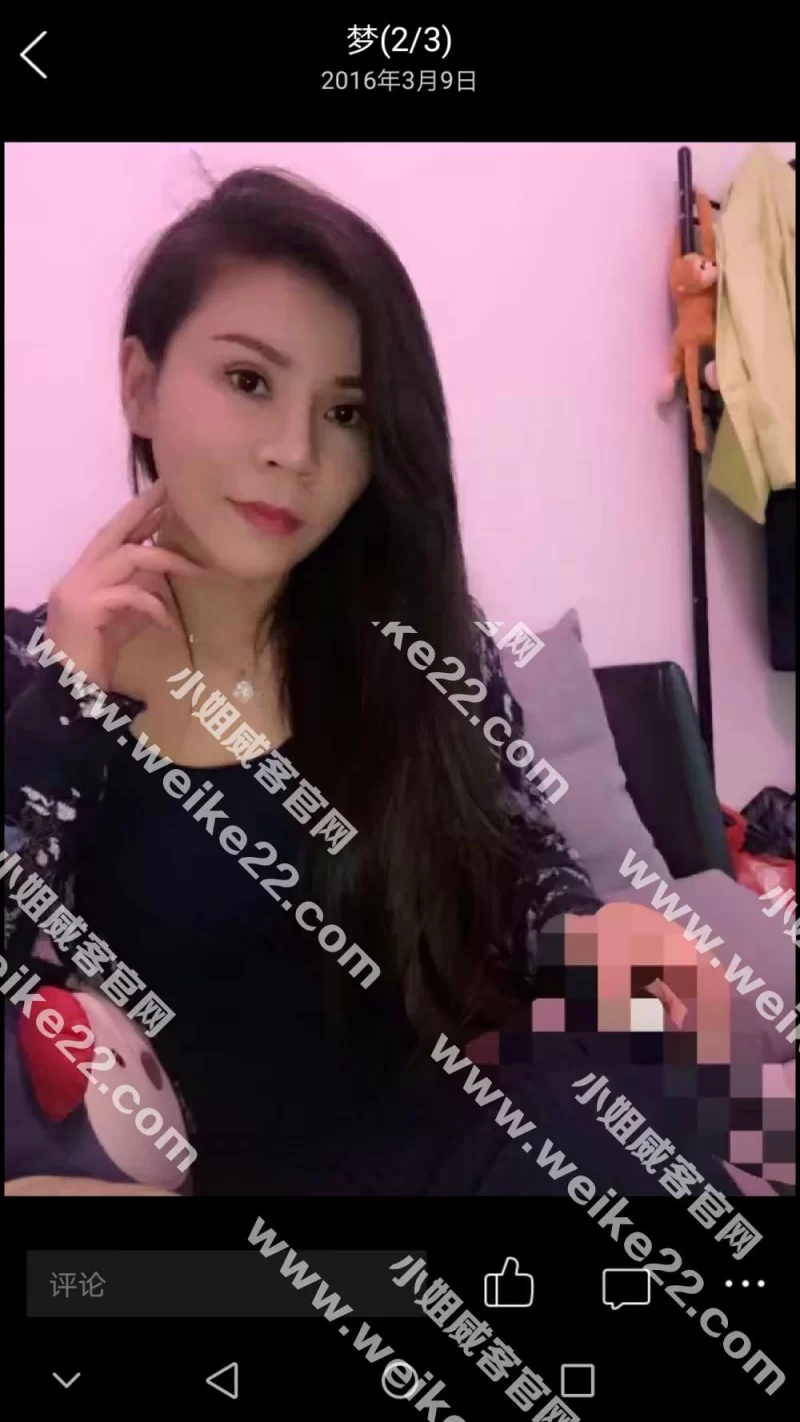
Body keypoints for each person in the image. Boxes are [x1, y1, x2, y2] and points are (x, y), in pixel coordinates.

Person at [4, 167, 745, 1198]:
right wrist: (64, 710)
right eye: (248, 381)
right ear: (140, 383)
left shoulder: (413, 643)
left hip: (449, 1146)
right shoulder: (36, 680)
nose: (295, 452)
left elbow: (506, 858)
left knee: (656, 1085)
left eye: (347, 411)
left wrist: (587, 929)